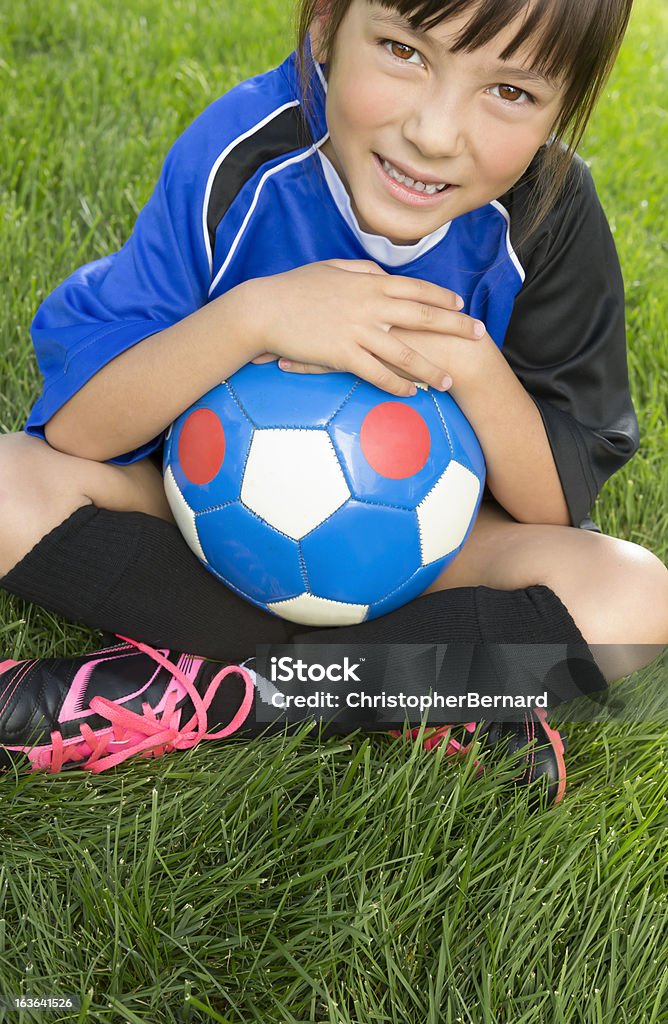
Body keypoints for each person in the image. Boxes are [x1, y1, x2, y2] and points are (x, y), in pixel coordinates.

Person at [1, 0, 666, 804]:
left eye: (511, 93)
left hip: (427, 558)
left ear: (565, 107)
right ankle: (410, 691)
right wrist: (254, 319)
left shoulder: (550, 217)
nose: (435, 131)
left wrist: (475, 370)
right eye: (403, 51)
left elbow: (554, 507)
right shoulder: (242, 153)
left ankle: (199, 689)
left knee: (637, 601)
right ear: (325, 23)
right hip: (196, 522)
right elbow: (79, 429)